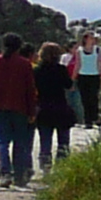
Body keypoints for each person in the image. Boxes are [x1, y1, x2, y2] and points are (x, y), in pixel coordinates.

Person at [0, 33, 39, 187]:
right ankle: (19, 176)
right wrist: (32, 111)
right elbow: (30, 90)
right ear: (19, 46)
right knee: (20, 142)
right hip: (20, 108)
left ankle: (5, 174)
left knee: (2, 142)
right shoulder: (25, 64)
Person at [31, 43, 77, 173]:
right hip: (60, 106)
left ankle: (45, 165)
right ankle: (62, 166)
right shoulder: (61, 69)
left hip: (43, 107)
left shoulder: (36, 71)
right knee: (63, 140)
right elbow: (69, 85)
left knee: (45, 139)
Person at [72, 30, 101, 127]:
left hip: (95, 76)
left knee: (94, 98)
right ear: (85, 39)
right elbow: (78, 64)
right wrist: (73, 78)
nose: (93, 40)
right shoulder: (79, 50)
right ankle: (88, 120)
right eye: (91, 38)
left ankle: (95, 117)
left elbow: (99, 64)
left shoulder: (98, 49)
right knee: (85, 99)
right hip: (83, 76)